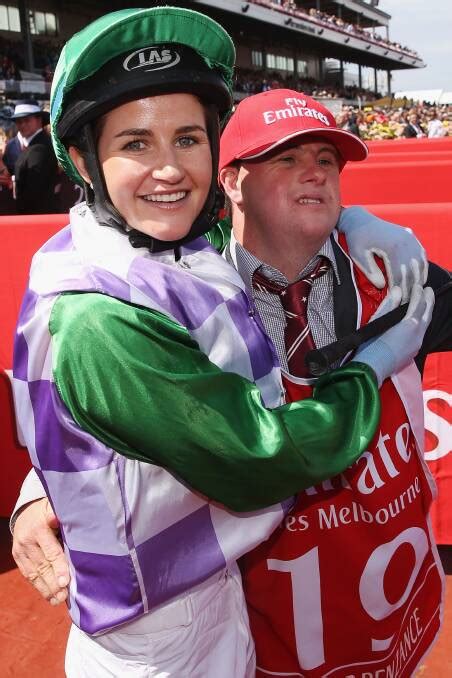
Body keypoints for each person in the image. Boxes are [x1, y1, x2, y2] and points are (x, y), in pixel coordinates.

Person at [11, 7, 433, 677]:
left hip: (299, 613)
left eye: (187, 138)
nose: (169, 168)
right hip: (167, 634)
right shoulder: (110, 304)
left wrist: (364, 224)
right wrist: (40, 492)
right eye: (135, 144)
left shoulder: (180, 255)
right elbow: (241, 449)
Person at [218, 89, 451, 677]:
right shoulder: (185, 296)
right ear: (230, 181)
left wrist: (364, 222)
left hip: (388, 633)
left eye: (325, 160)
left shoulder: (393, 277)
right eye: (286, 159)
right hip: (252, 644)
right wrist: (34, 495)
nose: (314, 174)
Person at [9, 99, 60, 213]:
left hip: (36, 215)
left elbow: (34, 192)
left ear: (39, 120)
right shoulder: (36, 145)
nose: (22, 125)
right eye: (18, 121)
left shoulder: (39, 149)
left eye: (27, 120)